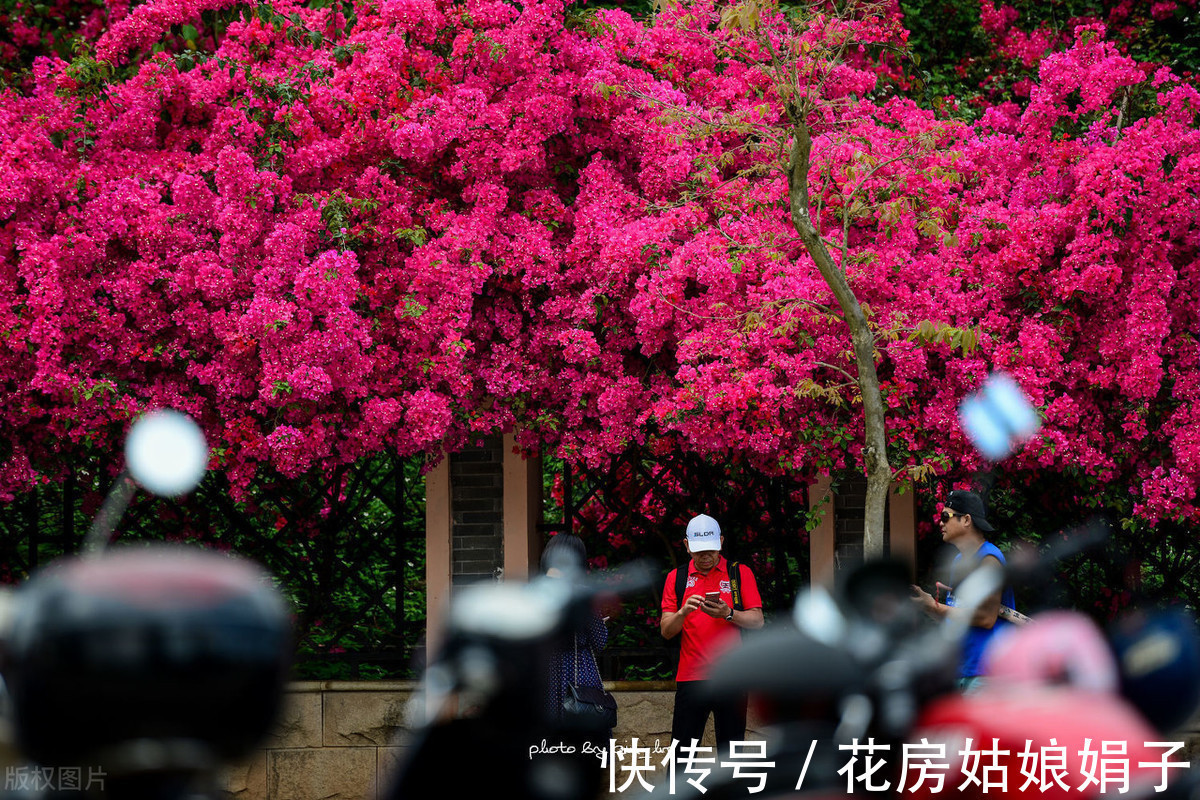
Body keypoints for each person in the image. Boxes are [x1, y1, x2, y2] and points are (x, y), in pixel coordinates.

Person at [660, 513, 764, 755]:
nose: (705, 556)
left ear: (721, 542)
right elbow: (666, 631)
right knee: (681, 754)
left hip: (732, 677)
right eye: (698, 551)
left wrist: (728, 613)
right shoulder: (676, 578)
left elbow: (757, 620)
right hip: (691, 677)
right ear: (686, 546)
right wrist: (683, 611)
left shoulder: (739, 573)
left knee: (731, 754)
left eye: (711, 549)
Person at [910, 489, 1015, 693]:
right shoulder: (959, 562)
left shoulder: (989, 559)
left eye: (945, 516)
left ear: (966, 520)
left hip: (986, 673)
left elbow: (985, 617)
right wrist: (928, 607)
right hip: (961, 671)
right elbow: (957, 617)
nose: (940, 523)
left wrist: (935, 606)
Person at [540, 533, 610, 737]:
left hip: (543, 674)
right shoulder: (582, 594)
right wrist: (599, 624)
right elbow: (599, 641)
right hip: (578, 673)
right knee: (583, 737)